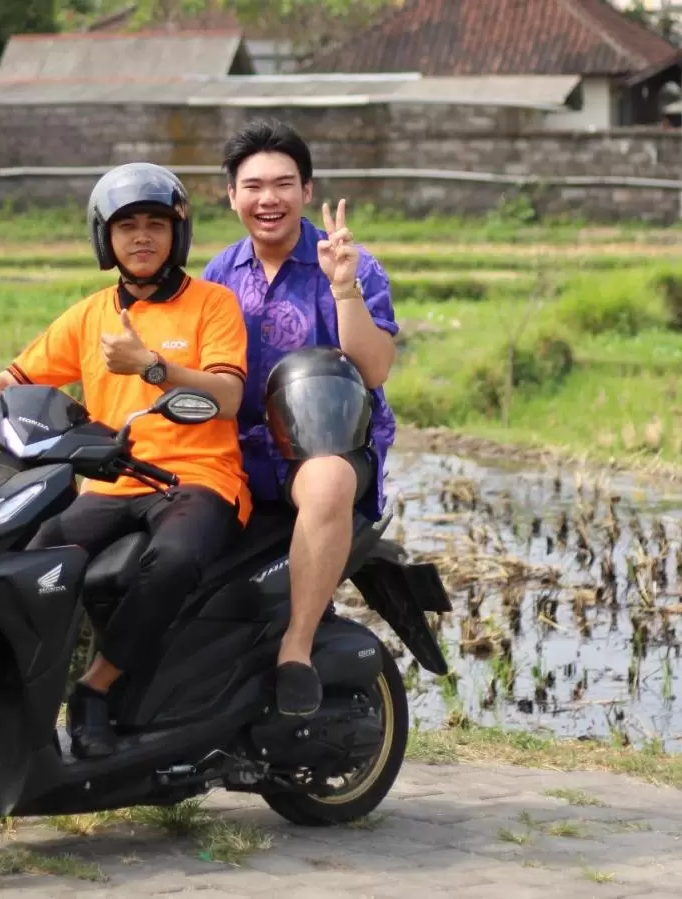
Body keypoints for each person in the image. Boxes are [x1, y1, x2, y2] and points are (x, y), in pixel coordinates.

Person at [0, 163, 252, 758]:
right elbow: (16, 377)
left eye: (155, 225)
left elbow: (228, 395)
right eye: (127, 226)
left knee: (172, 563)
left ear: (177, 235)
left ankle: (95, 689)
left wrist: (151, 365)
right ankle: (12, 692)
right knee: (33, 558)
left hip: (195, 479)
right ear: (105, 239)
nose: (142, 238)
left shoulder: (212, 305)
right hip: (113, 482)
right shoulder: (90, 316)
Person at [202, 119, 399, 717]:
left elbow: (374, 369)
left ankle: (296, 647)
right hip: (238, 448)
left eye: (284, 184)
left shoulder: (348, 265)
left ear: (307, 191)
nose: (269, 199)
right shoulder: (217, 274)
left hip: (323, 445)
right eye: (253, 186)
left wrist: (344, 290)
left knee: (329, 478)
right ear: (231, 195)